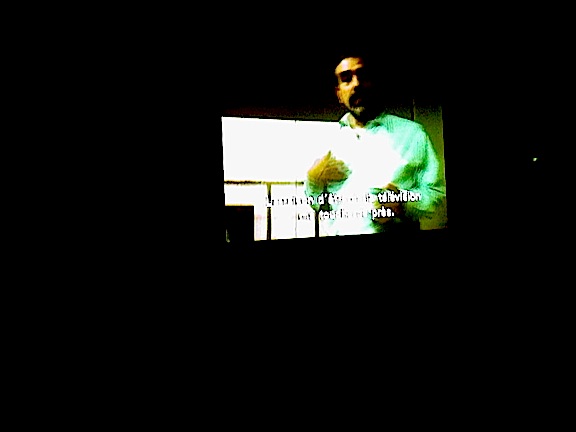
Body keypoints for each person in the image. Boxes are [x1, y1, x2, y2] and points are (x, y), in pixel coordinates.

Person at [305, 52, 447, 237]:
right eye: (346, 79)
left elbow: (436, 191)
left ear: (376, 84)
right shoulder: (325, 141)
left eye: (363, 76)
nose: (356, 84)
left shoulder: (413, 134)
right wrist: (313, 182)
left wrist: (404, 204)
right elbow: (318, 205)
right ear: (339, 93)